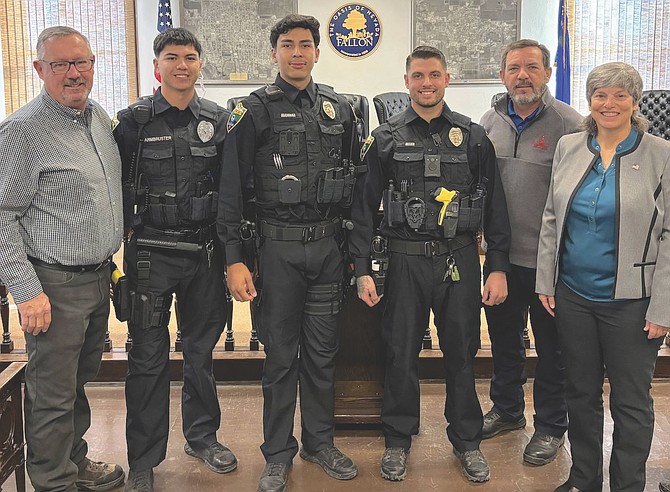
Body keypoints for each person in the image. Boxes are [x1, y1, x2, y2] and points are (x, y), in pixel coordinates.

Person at [350, 45, 511, 483]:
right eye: (418, 75)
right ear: (406, 82)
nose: (426, 83)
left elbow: (494, 209)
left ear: (446, 79)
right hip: (403, 260)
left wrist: (496, 266)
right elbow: (363, 210)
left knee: (462, 353)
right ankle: (398, 440)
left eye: (434, 75)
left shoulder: (473, 137)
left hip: (458, 260)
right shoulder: (383, 139)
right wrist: (362, 268)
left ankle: (467, 441)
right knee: (401, 352)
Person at [217, 14, 361, 492]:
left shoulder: (340, 109)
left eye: (305, 45)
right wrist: (234, 257)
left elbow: (355, 187)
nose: (297, 52)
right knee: (281, 358)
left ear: (319, 52)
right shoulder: (251, 110)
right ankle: (278, 453)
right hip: (275, 249)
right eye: (287, 44)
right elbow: (231, 189)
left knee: (322, 354)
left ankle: (320, 442)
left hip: (326, 248)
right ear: (274, 53)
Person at [0, 26, 125, 492]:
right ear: (39, 69)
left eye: (83, 62)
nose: (75, 73)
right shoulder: (22, 131)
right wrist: (28, 291)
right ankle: (53, 480)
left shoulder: (96, 117)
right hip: (53, 284)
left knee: (75, 383)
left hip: (96, 278)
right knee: (52, 393)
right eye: (61, 65)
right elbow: (3, 216)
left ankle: (74, 460)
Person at [536, 62, 670, 492]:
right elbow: (553, 217)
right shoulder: (570, 146)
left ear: (635, 101)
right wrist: (545, 280)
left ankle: (628, 484)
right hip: (573, 295)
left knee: (631, 404)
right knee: (581, 394)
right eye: (600, 95)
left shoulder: (660, 153)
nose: (609, 104)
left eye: (619, 95)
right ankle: (583, 479)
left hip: (634, 302)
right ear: (589, 101)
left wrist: (664, 306)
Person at [113, 28, 235, 492]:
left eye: (189, 57)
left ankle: (202, 437)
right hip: (150, 253)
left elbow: (230, 193)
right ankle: (143, 458)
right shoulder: (133, 122)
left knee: (200, 353)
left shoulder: (218, 121)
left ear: (200, 64)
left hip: (204, 252)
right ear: (156, 65)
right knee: (147, 357)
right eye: (171, 57)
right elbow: (115, 187)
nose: (181, 65)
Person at [478, 39, 582, 465]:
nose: (523, 75)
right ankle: (506, 410)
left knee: (552, 350)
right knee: (504, 342)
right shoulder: (489, 121)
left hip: (552, 264)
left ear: (548, 72)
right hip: (501, 260)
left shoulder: (571, 124)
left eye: (532, 67)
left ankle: (551, 426)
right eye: (515, 68)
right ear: (502, 74)